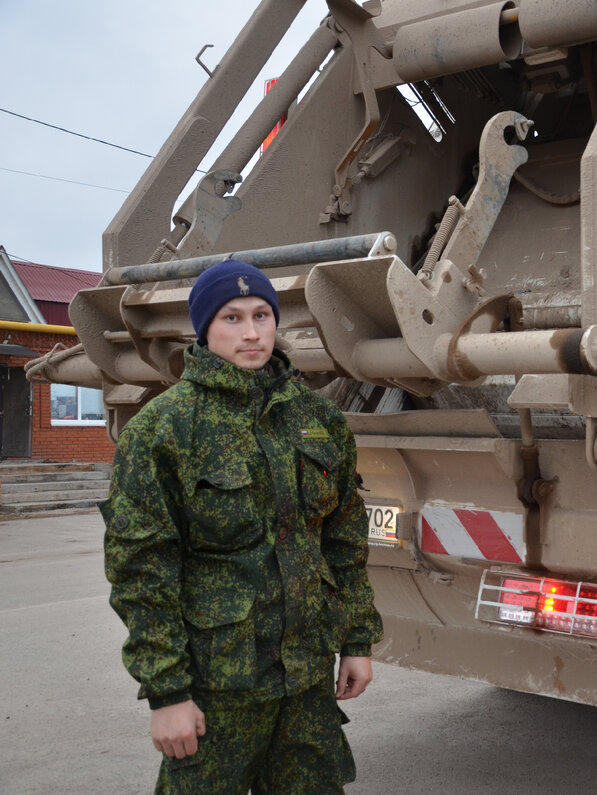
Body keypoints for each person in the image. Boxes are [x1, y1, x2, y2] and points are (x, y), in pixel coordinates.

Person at [101, 259, 384, 793]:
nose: (251, 333)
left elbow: (344, 541)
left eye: (261, 315)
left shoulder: (317, 419)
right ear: (203, 328)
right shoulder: (165, 428)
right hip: (217, 689)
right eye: (231, 318)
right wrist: (167, 694)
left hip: (306, 684)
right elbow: (141, 571)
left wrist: (358, 641)